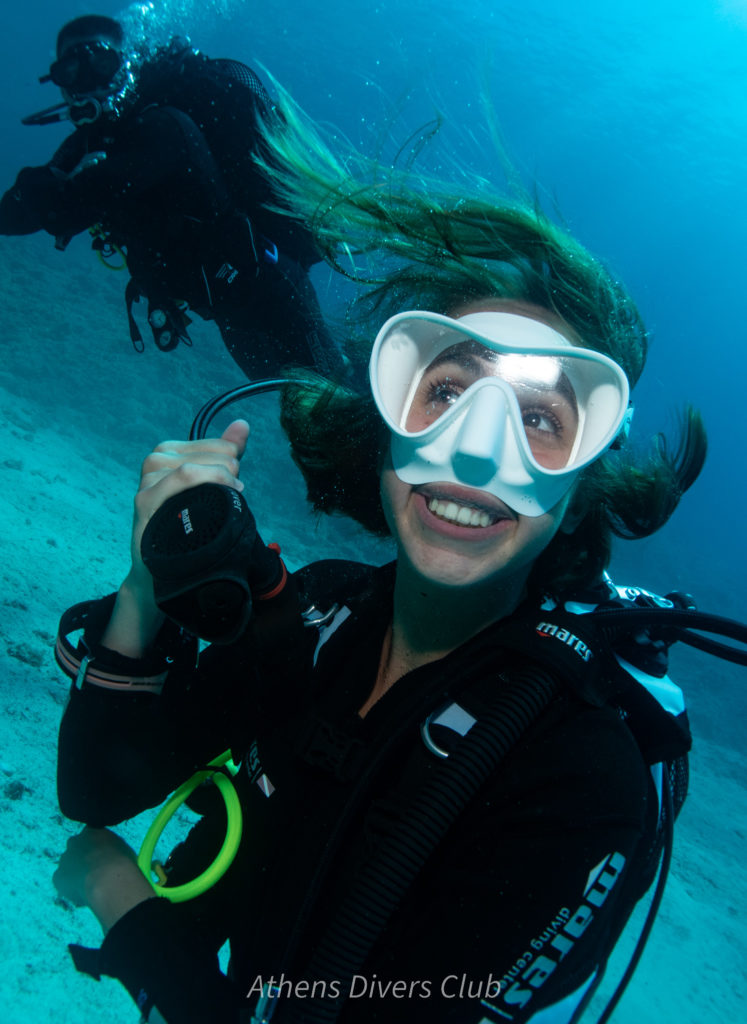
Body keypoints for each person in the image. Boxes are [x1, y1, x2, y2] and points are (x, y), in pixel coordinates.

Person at [52, 91, 707, 1024]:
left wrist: (124, 904)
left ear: (579, 491)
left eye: (538, 421)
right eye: (445, 393)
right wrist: (144, 588)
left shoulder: (577, 779)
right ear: (384, 430)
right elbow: (97, 784)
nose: (474, 453)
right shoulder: (320, 615)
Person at [0, 15, 344, 379]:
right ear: (60, 85)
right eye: (71, 71)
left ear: (123, 65)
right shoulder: (88, 149)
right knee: (291, 397)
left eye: (100, 63)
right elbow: (12, 216)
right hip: (225, 310)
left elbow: (68, 208)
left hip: (273, 289)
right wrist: (41, 182)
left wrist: (45, 186)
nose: (88, 82)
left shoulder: (164, 126)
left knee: (337, 395)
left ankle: (375, 374)